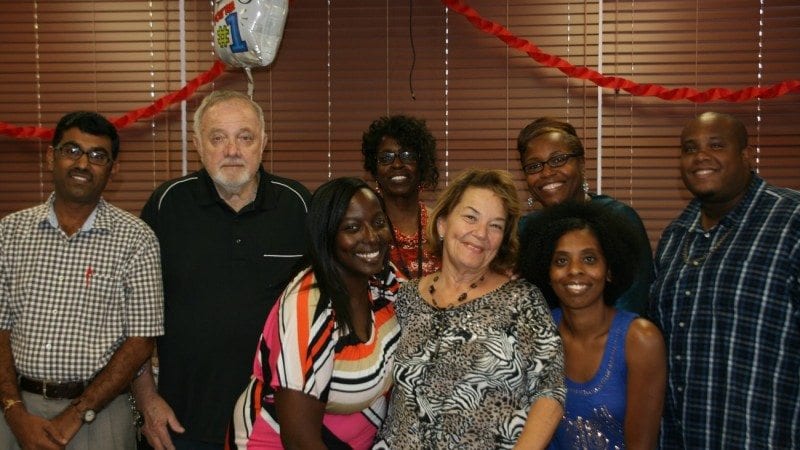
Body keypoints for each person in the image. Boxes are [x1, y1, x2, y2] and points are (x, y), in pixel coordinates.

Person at [132, 90, 310, 450]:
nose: (232, 150)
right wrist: (147, 402)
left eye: (245, 137)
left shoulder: (298, 206)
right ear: (198, 144)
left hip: (275, 425)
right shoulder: (167, 206)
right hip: (181, 425)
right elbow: (133, 318)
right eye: (218, 138)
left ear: (263, 143)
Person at [0, 111, 164, 449]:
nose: (83, 164)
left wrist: (78, 412)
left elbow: (141, 341)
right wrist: (14, 412)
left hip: (100, 417)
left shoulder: (137, 239)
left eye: (97, 155)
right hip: (16, 411)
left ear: (113, 168)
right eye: (72, 150)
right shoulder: (9, 233)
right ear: (51, 157)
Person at [375, 168, 565, 449]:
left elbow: (550, 391)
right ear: (442, 224)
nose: (480, 234)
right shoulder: (405, 298)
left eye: (496, 225)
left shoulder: (522, 301)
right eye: (470, 217)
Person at [650, 111, 800, 448]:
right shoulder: (676, 236)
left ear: (745, 155)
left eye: (716, 145)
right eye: (690, 148)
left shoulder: (791, 220)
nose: (700, 156)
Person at [228, 177, 402, 449]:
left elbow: (433, 298)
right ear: (327, 236)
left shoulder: (382, 281)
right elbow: (299, 440)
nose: (371, 237)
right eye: (352, 228)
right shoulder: (310, 306)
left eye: (378, 223)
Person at [519, 201, 665, 449]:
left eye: (589, 259)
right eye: (561, 261)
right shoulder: (536, 332)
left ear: (609, 270)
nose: (575, 270)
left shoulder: (640, 340)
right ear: (548, 272)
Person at [516, 117, 653, 315]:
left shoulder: (617, 219)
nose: (546, 173)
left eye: (557, 160)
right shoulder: (525, 230)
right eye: (534, 166)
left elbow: (632, 305)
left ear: (581, 163)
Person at [361, 115, 441, 278]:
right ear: (374, 169)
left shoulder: (440, 226)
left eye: (407, 156)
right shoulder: (366, 229)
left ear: (422, 165)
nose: (397, 164)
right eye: (386, 158)